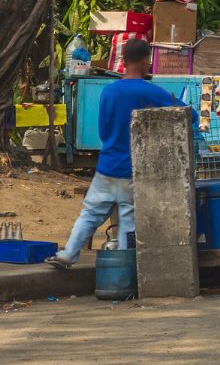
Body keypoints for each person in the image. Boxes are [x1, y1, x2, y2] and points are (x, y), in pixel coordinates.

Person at [47, 38, 194, 269]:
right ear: (147, 61)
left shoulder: (109, 92)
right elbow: (189, 115)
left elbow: (104, 132)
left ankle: (67, 254)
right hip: (134, 168)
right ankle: (124, 268)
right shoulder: (153, 92)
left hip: (107, 166)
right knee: (129, 219)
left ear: (123, 61)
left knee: (90, 214)